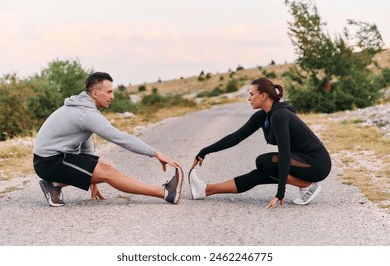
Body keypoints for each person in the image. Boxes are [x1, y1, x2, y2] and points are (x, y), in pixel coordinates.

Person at [33, 72, 183, 207]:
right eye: (109, 92)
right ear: (96, 93)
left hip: (55, 158)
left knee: (107, 165)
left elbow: (84, 140)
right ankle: (165, 192)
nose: (112, 96)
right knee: (108, 172)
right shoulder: (86, 114)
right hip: (49, 161)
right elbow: (120, 138)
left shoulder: (83, 108)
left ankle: (53, 185)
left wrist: (91, 177)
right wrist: (156, 153)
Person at [189, 77, 331, 209]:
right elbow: (235, 137)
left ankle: (307, 185)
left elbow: (285, 153)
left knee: (264, 162)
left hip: (317, 163)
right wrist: (205, 151)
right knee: (261, 173)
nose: (249, 99)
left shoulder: (279, 115)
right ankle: (205, 190)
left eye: (251, 94)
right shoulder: (262, 116)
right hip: (301, 160)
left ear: (263, 95)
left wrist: (280, 192)